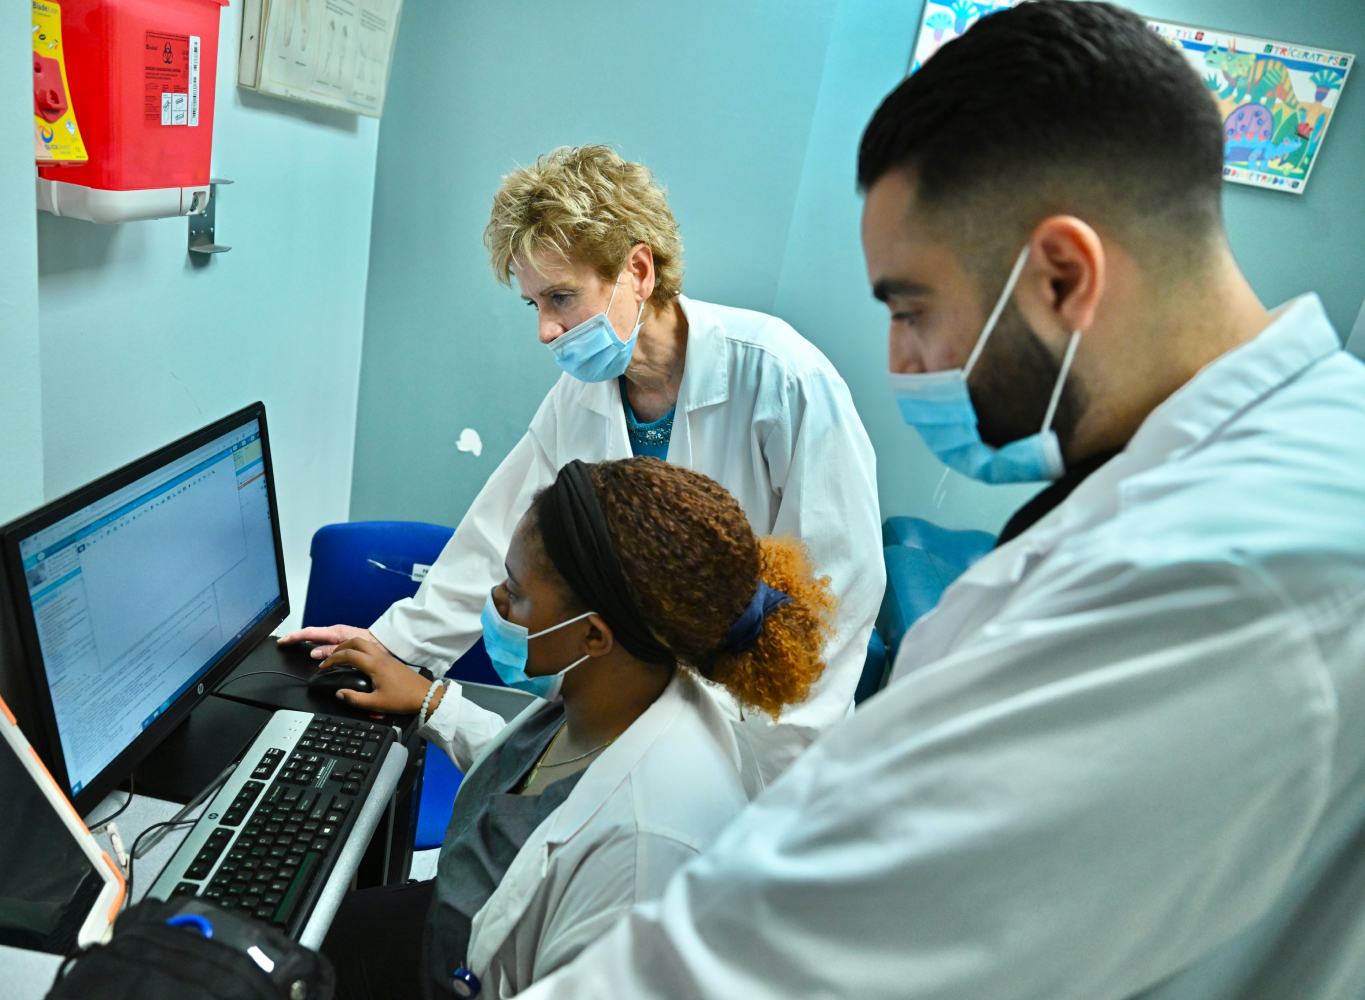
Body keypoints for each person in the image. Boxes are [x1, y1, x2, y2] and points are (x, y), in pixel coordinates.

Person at [512, 4, 1365, 998]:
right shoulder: (1259, 453)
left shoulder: (1235, 566)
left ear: (1061, 275)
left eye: (910, 309)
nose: (898, 360)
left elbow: (791, 953)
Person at [282, 145, 883, 782]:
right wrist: (390, 647)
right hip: (627, 707)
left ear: (639, 271)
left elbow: (836, 594)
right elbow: (499, 536)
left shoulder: (780, 377)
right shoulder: (582, 394)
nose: (546, 330)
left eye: (562, 298)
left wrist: (761, 770)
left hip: (763, 739)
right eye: (534, 304)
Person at [314, 457, 835, 999]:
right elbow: (542, 784)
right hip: (458, 925)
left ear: (592, 636)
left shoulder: (644, 854)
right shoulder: (617, 691)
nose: (495, 601)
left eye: (514, 591)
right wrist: (433, 702)